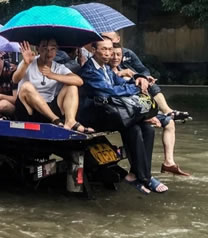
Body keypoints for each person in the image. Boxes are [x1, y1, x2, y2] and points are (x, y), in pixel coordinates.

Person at [78, 36, 168, 194]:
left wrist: (138, 80)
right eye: (104, 49)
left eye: (110, 49)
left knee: (148, 129)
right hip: (94, 115)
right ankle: (145, 178)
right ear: (93, 50)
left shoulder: (106, 68)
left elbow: (120, 84)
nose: (108, 53)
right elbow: (110, 91)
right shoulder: (89, 70)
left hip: (109, 112)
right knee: (132, 128)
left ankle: (136, 174)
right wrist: (136, 89)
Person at [109, 43, 190, 176]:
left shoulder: (125, 66)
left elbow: (142, 77)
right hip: (126, 111)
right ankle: (137, 172)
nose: (115, 57)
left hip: (138, 108)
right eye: (112, 54)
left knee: (170, 122)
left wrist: (140, 77)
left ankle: (168, 163)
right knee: (142, 130)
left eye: (118, 54)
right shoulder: (106, 70)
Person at [103, 31, 190, 121]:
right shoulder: (104, 57)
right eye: (105, 39)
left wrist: (143, 77)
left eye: (111, 40)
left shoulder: (128, 53)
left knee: (147, 83)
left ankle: (166, 111)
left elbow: (143, 70)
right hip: (121, 90)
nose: (115, 57)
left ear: (118, 39)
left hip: (134, 81)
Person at [12, 39, 93, 133]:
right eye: (45, 48)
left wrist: (52, 75)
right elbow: (15, 79)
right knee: (26, 86)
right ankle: (55, 119)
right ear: (38, 48)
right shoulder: (29, 62)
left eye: (52, 48)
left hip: (50, 105)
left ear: (56, 50)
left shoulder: (58, 67)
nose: (49, 52)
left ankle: (70, 121)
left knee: (72, 86)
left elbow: (79, 81)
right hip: (30, 108)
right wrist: (25, 64)